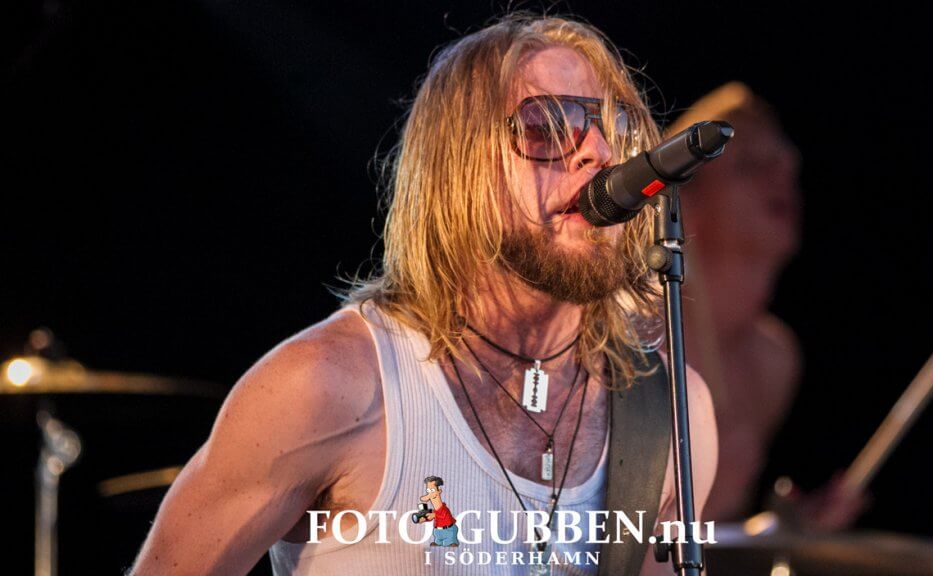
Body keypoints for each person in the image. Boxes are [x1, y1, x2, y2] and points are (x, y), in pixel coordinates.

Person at [130, 15, 717, 575]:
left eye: (616, 126)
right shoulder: (326, 387)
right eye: (548, 126)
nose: (600, 153)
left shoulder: (673, 416)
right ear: (456, 166)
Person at [665, 83, 862, 530]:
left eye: (787, 164)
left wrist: (788, 532)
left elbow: (718, 535)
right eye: (752, 165)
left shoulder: (773, 360)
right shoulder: (635, 337)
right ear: (682, 203)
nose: (782, 177)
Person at [414, 476, 459, 547]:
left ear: (439, 491)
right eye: (428, 490)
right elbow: (431, 517)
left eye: (432, 490)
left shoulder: (444, 509)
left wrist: (434, 515)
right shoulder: (434, 510)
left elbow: (444, 516)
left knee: (450, 544)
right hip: (438, 532)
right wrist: (424, 519)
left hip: (449, 531)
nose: (430, 494)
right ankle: (438, 542)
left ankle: (451, 543)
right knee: (437, 543)